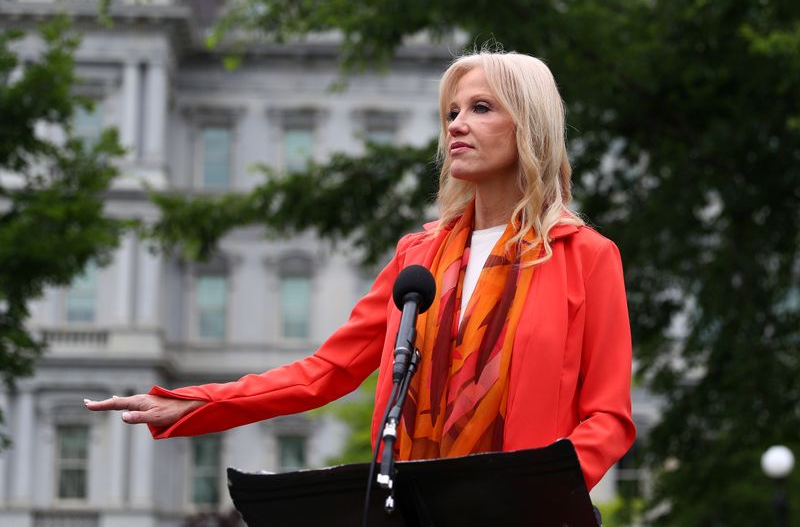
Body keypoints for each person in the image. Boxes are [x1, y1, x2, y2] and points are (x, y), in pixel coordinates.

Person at [85, 50, 635, 491]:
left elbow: (608, 418)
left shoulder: (585, 256)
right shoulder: (416, 257)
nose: (456, 126)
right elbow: (326, 372)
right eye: (451, 112)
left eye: (481, 108)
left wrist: (532, 496)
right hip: (411, 507)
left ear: (530, 125)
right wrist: (189, 405)